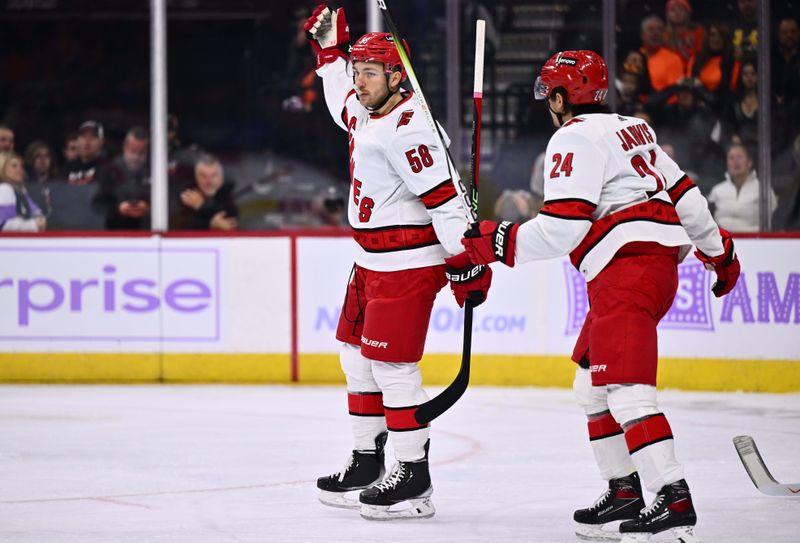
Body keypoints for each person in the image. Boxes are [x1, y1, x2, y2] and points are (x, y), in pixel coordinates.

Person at [458, 50, 741, 542]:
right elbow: (687, 196)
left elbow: (565, 226)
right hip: (645, 268)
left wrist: (497, 241)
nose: (548, 103)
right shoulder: (634, 128)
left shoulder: (572, 137)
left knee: (629, 392)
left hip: (626, 272)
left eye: (550, 93)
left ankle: (674, 500)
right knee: (591, 387)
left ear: (564, 96)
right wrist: (719, 255)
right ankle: (624, 489)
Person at [305, 4, 490, 521]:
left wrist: (467, 263)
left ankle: (414, 478)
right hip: (370, 262)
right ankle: (368, 459)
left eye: (368, 72)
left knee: (392, 366)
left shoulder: (412, 130)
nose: (358, 82)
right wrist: (328, 57)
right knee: (355, 358)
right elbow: (340, 99)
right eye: (357, 71)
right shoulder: (369, 109)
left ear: (395, 77)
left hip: (407, 265)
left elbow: (447, 202)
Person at [708, 143, 776, 232]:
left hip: (755, 241)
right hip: (722, 241)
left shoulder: (763, 189)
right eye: (731, 158)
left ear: (749, 162)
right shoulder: (717, 190)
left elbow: (774, 219)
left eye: (739, 157)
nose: (735, 161)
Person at [94, 126, 151, 230]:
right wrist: (118, 209)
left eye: (141, 152)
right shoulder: (110, 170)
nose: (136, 157)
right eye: (133, 151)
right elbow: (98, 205)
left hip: (148, 230)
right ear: (125, 147)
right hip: (116, 232)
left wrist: (149, 207)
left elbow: (170, 202)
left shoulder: (155, 170)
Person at [177, 154, 238, 231]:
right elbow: (185, 227)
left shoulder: (231, 196)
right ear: (196, 178)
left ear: (221, 179)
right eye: (203, 176)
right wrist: (210, 224)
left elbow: (231, 223)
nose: (209, 181)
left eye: (213, 175)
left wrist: (202, 206)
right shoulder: (187, 195)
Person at [0, 152, 46, 232]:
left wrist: (40, 219)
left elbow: (36, 212)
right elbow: (3, 225)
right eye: (14, 166)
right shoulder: (4, 190)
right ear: (2, 168)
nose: (20, 170)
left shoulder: (20, 190)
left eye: (21, 166)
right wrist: (33, 225)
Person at [64, 120, 107, 186]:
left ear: (101, 142)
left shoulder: (108, 170)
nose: (87, 141)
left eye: (92, 137)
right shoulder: (67, 168)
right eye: (83, 136)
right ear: (78, 140)